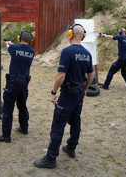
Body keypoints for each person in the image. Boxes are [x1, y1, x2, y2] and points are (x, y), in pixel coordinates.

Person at [34, 24, 94, 169]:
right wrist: (85, 89)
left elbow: (61, 75)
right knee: (75, 120)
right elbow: (91, 75)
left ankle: (51, 158)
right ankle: (71, 147)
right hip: (79, 91)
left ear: (70, 34)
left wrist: (53, 92)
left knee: (58, 124)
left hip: (68, 94)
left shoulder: (67, 51)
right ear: (83, 36)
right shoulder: (87, 53)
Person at [0, 30, 35, 143]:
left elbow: (10, 47)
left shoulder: (14, 48)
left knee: (8, 108)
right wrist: (12, 44)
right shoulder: (32, 51)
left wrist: (8, 43)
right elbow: (19, 48)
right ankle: (24, 128)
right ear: (30, 40)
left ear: (19, 38)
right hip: (24, 81)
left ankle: (6, 136)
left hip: (13, 81)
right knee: (22, 105)